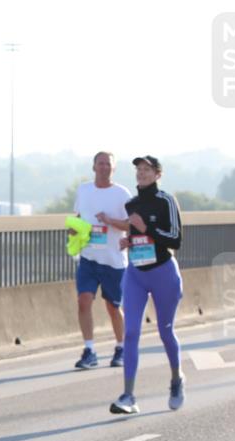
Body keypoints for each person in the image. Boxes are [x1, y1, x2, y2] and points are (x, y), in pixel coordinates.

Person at [109, 156, 185, 414]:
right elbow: (138, 235)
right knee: (131, 333)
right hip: (136, 274)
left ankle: (176, 379)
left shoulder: (166, 201)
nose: (141, 173)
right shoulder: (131, 203)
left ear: (157, 174)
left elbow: (175, 239)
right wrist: (129, 241)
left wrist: (147, 227)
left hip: (163, 273)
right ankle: (128, 396)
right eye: (139, 169)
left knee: (165, 332)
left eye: (147, 169)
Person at [71, 151, 133, 370]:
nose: (104, 167)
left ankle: (121, 347)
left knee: (113, 307)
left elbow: (131, 224)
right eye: (100, 163)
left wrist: (109, 221)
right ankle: (89, 350)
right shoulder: (84, 190)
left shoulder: (122, 193)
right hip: (88, 257)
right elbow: (79, 218)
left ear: (113, 168)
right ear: (94, 166)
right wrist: (74, 229)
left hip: (113, 260)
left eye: (108, 164)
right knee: (83, 300)